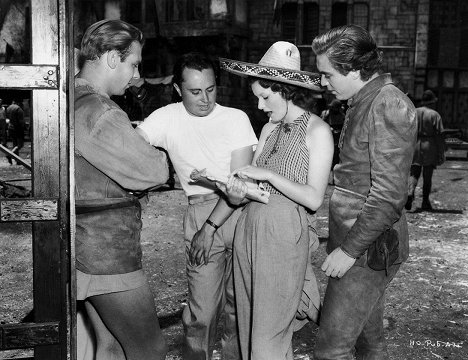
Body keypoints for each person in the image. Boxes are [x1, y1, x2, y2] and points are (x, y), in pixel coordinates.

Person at [136, 52, 258, 360]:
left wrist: (210, 228)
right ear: (178, 89)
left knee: (240, 309)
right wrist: (156, 166)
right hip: (201, 210)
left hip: (241, 214)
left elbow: (238, 187)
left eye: (211, 89)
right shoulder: (165, 117)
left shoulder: (235, 118)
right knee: (201, 312)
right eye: (194, 91)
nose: (205, 99)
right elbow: (131, 148)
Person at [219, 41, 334, 359]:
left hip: (283, 235)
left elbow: (313, 198)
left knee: (269, 335)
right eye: (257, 97)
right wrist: (236, 190)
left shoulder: (318, 131)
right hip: (249, 231)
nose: (259, 106)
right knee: (247, 325)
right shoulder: (269, 128)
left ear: (287, 90)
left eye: (265, 97)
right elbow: (253, 184)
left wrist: (268, 176)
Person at [311, 25, 417, 359]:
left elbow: (388, 196)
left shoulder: (388, 104)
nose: (323, 82)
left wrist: (349, 251)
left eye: (327, 75)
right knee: (369, 339)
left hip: (367, 248)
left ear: (354, 70)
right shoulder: (363, 100)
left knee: (331, 349)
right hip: (359, 241)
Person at [74, 19, 169, 360]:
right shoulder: (99, 110)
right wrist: (155, 151)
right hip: (108, 252)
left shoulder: (70, 99)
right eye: (133, 64)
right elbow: (152, 171)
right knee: (150, 350)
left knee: (111, 347)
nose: (134, 76)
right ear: (112, 58)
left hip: (81, 244)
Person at [406, 89, 445, 211]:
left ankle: (410, 192)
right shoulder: (434, 115)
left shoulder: (414, 112)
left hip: (415, 145)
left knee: (414, 173)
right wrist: (441, 152)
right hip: (429, 146)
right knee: (427, 176)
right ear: (432, 102)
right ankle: (425, 202)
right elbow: (439, 135)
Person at [6, 99, 25, 164]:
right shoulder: (19, 109)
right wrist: (23, 128)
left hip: (10, 127)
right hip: (17, 128)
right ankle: (9, 155)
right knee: (20, 144)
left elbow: (8, 118)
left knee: (15, 144)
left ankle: (17, 160)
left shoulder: (8, 108)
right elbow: (21, 121)